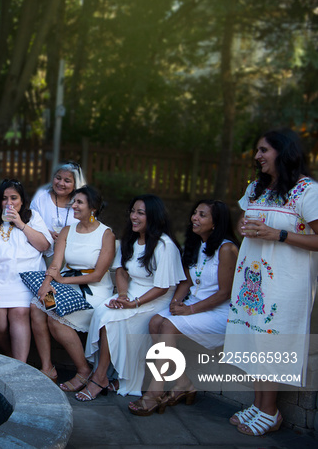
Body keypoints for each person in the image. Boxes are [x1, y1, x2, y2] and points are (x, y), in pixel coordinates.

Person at [224, 129, 318, 436]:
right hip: (253, 278)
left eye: (263, 150)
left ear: (283, 152)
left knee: (270, 342)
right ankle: (258, 403)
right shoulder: (256, 188)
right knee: (254, 340)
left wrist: (277, 234)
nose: (257, 156)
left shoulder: (307, 191)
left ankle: (270, 410)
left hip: (285, 283)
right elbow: (249, 224)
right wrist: (243, 225)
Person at [129, 200, 239, 415]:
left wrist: (189, 310)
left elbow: (225, 293)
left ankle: (154, 392)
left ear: (216, 223)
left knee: (168, 325)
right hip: (194, 305)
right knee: (156, 322)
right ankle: (183, 383)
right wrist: (176, 303)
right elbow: (187, 283)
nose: (194, 218)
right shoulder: (197, 243)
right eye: (195, 213)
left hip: (219, 312)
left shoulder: (226, 249)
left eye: (202, 215)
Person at [80, 194, 185, 401]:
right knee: (104, 311)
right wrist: (122, 295)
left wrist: (134, 303)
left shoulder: (164, 245)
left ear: (153, 216)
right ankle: (111, 374)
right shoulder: (132, 239)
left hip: (155, 299)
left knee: (112, 318)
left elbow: (162, 287)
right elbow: (120, 270)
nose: (133, 217)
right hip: (131, 293)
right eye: (133, 211)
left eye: (141, 213)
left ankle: (100, 377)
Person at [31, 186, 115, 390]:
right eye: (74, 201)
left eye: (79, 202)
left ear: (92, 208)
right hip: (65, 284)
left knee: (56, 319)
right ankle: (47, 367)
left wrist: (61, 281)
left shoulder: (106, 234)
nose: (73, 205)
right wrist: (46, 284)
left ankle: (84, 370)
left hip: (94, 290)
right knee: (38, 305)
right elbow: (55, 264)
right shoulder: (68, 231)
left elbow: (97, 275)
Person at [0, 179, 53, 362]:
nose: (9, 203)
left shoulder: (32, 217)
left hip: (25, 277)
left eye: (13, 198)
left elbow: (43, 245)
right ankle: (11, 356)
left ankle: (20, 364)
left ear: (22, 200)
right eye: (4, 199)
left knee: (20, 313)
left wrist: (20, 223)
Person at [30, 162, 85, 240]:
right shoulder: (40, 199)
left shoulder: (83, 203)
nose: (61, 183)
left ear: (75, 184)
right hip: (44, 247)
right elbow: (30, 225)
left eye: (67, 181)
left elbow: (89, 229)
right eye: (58, 178)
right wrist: (48, 233)